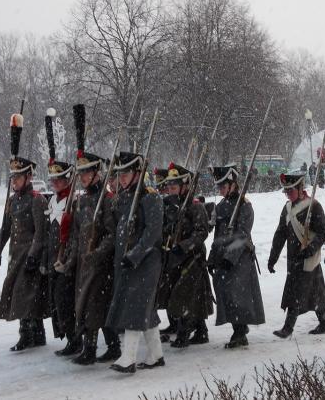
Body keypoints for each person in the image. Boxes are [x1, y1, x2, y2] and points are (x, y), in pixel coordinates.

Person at [56, 152, 120, 365]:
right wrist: (69, 261)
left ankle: (96, 348)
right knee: (85, 306)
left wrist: (98, 253)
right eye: (81, 173)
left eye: (87, 172)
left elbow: (113, 234)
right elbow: (75, 234)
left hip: (101, 265)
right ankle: (103, 346)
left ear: (97, 174)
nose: (83, 177)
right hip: (83, 264)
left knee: (96, 305)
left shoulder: (108, 200)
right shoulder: (81, 201)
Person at [107, 151, 164, 373]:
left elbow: (152, 233)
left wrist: (135, 255)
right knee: (146, 308)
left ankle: (128, 358)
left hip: (147, 261)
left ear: (138, 173)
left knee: (134, 305)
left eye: (127, 173)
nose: (122, 178)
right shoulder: (126, 197)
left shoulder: (151, 197)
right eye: (120, 173)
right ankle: (156, 355)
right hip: (129, 261)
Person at [0, 156, 49, 351]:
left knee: (25, 293)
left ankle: (27, 334)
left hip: (30, 255)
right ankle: (37, 334)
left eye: (18, 177)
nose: (14, 181)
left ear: (28, 177)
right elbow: (5, 228)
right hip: (15, 256)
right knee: (25, 294)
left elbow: (40, 232)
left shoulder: (36, 200)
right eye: (12, 177)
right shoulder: (12, 200)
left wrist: (33, 254)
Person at [207, 164, 265, 348]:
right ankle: (239, 326)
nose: (221, 189)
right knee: (224, 293)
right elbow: (218, 236)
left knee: (237, 295)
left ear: (233, 184)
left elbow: (242, 235)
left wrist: (229, 259)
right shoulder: (221, 206)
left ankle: (240, 333)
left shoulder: (245, 206)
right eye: (219, 187)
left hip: (239, 258)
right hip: (223, 257)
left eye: (224, 186)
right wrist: (212, 258)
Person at [268, 172, 325, 338]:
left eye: (291, 191)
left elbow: (323, 233)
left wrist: (311, 249)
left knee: (296, 291)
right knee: (314, 290)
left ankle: (288, 328)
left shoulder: (313, 206)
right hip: (293, 258)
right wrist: (273, 258)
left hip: (308, 256)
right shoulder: (287, 208)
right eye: (286, 192)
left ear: (300, 188)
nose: (288, 195)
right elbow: (280, 234)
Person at [157, 163, 213, 348]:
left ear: (184, 186)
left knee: (184, 296)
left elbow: (201, 232)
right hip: (174, 258)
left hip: (192, 258)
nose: (170, 190)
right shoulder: (172, 206)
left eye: (174, 186)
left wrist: (184, 246)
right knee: (184, 295)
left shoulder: (195, 207)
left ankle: (184, 330)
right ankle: (201, 331)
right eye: (169, 186)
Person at [42, 159, 81, 357]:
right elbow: (50, 233)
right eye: (53, 180)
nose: (55, 183)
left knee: (65, 300)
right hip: (53, 259)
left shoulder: (74, 201)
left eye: (59, 179)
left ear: (68, 180)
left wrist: (67, 260)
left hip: (67, 261)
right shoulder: (53, 200)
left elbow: (75, 235)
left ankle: (76, 339)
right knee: (57, 302)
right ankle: (69, 338)